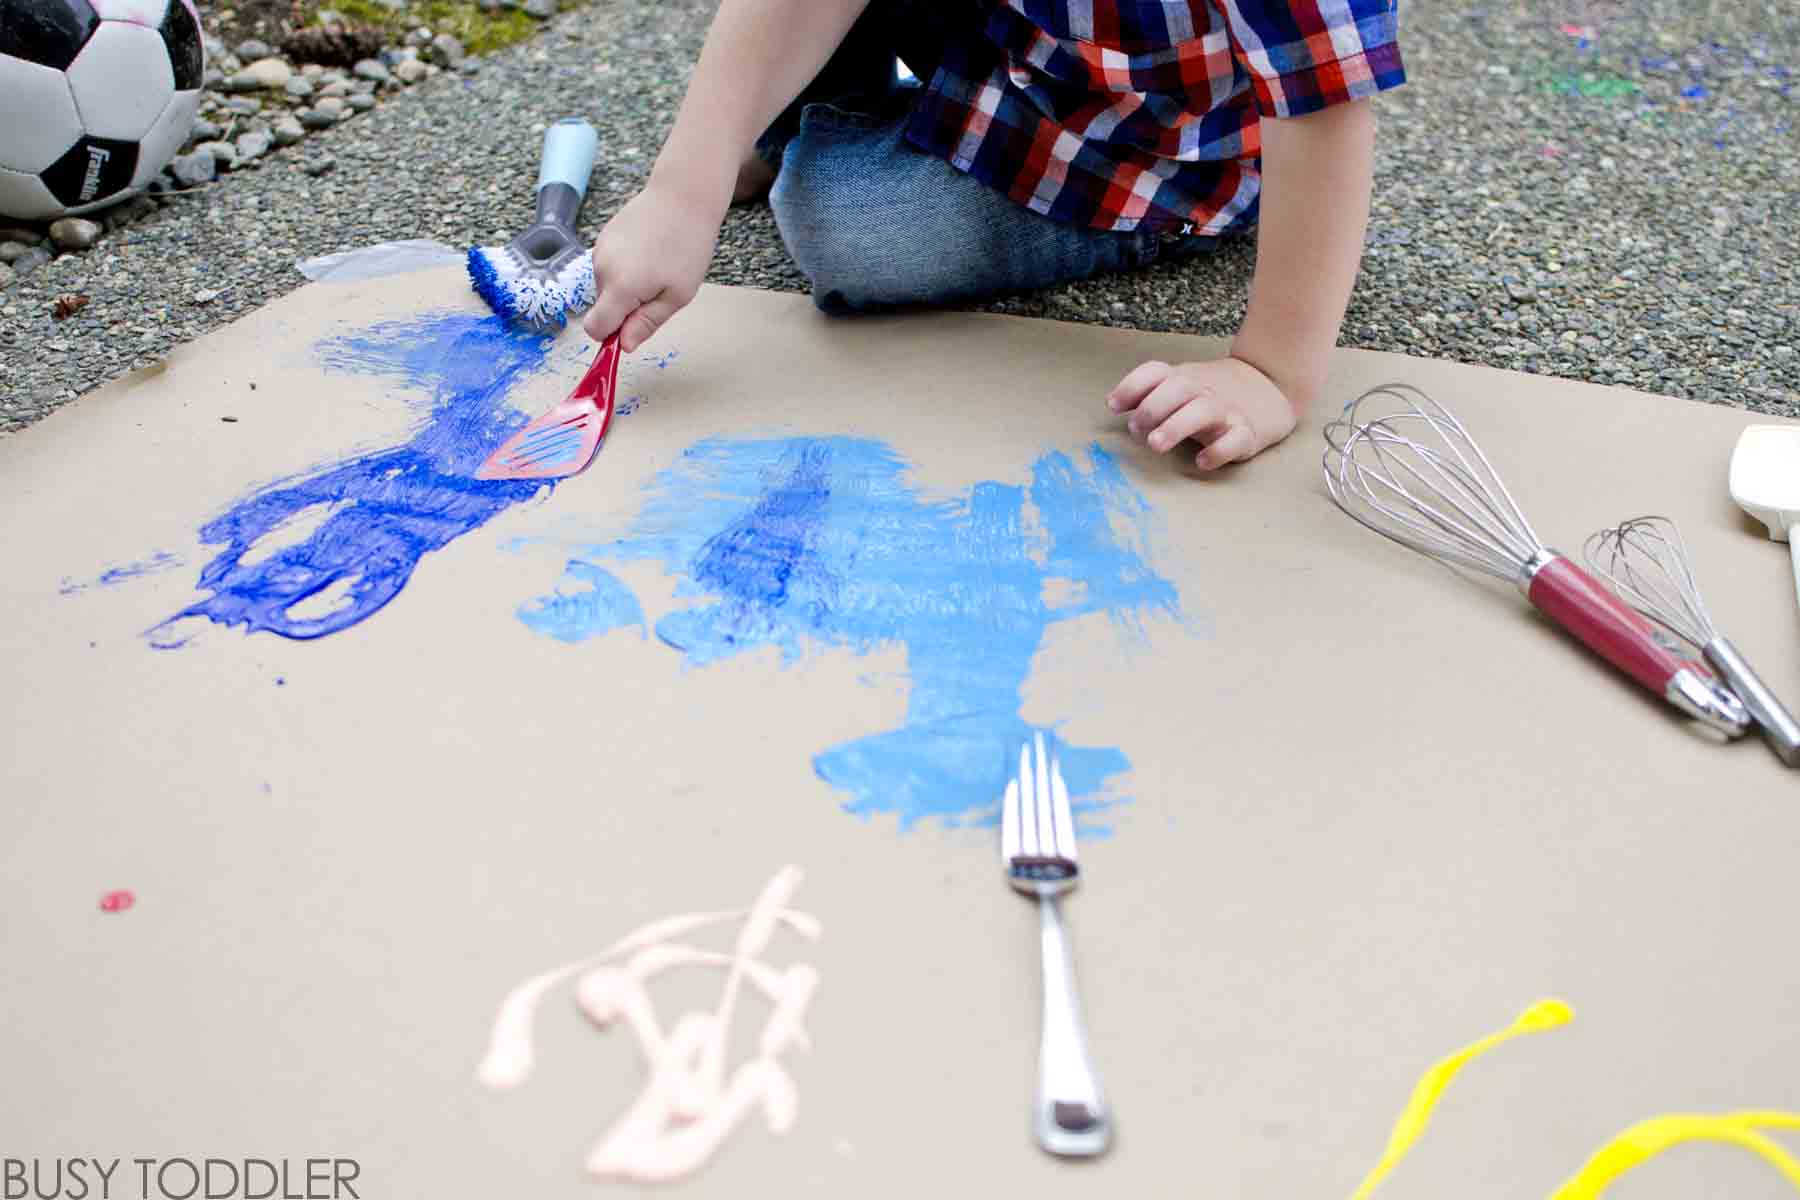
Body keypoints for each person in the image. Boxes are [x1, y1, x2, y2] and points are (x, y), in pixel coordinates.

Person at [581, 0, 1405, 471]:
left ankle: (793, 126)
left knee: (845, 229)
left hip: (1143, 160)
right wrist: (684, 186)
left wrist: (1271, 373)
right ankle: (769, 126)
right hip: (1019, 44)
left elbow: (1323, 111)